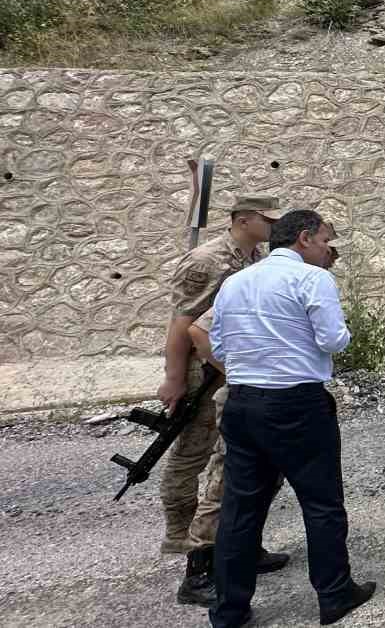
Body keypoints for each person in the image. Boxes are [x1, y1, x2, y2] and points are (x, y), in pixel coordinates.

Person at [207, 210, 377, 628]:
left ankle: (228, 611)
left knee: (240, 509)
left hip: (242, 403)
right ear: (304, 238)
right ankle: (334, 594)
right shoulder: (313, 279)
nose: (328, 250)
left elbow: (218, 345)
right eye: (325, 241)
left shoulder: (235, 282)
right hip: (296, 403)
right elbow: (333, 338)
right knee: (321, 504)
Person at [154, 194, 290, 606]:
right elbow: (182, 324)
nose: (272, 226)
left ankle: (240, 545)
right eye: (267, 220)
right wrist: (175, 378)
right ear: (243, 219)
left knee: (245, 460)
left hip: (236, 368)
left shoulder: (257, 258)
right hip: (205, 371)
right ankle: (189, 549)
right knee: (198, 457)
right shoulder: (206, 260)